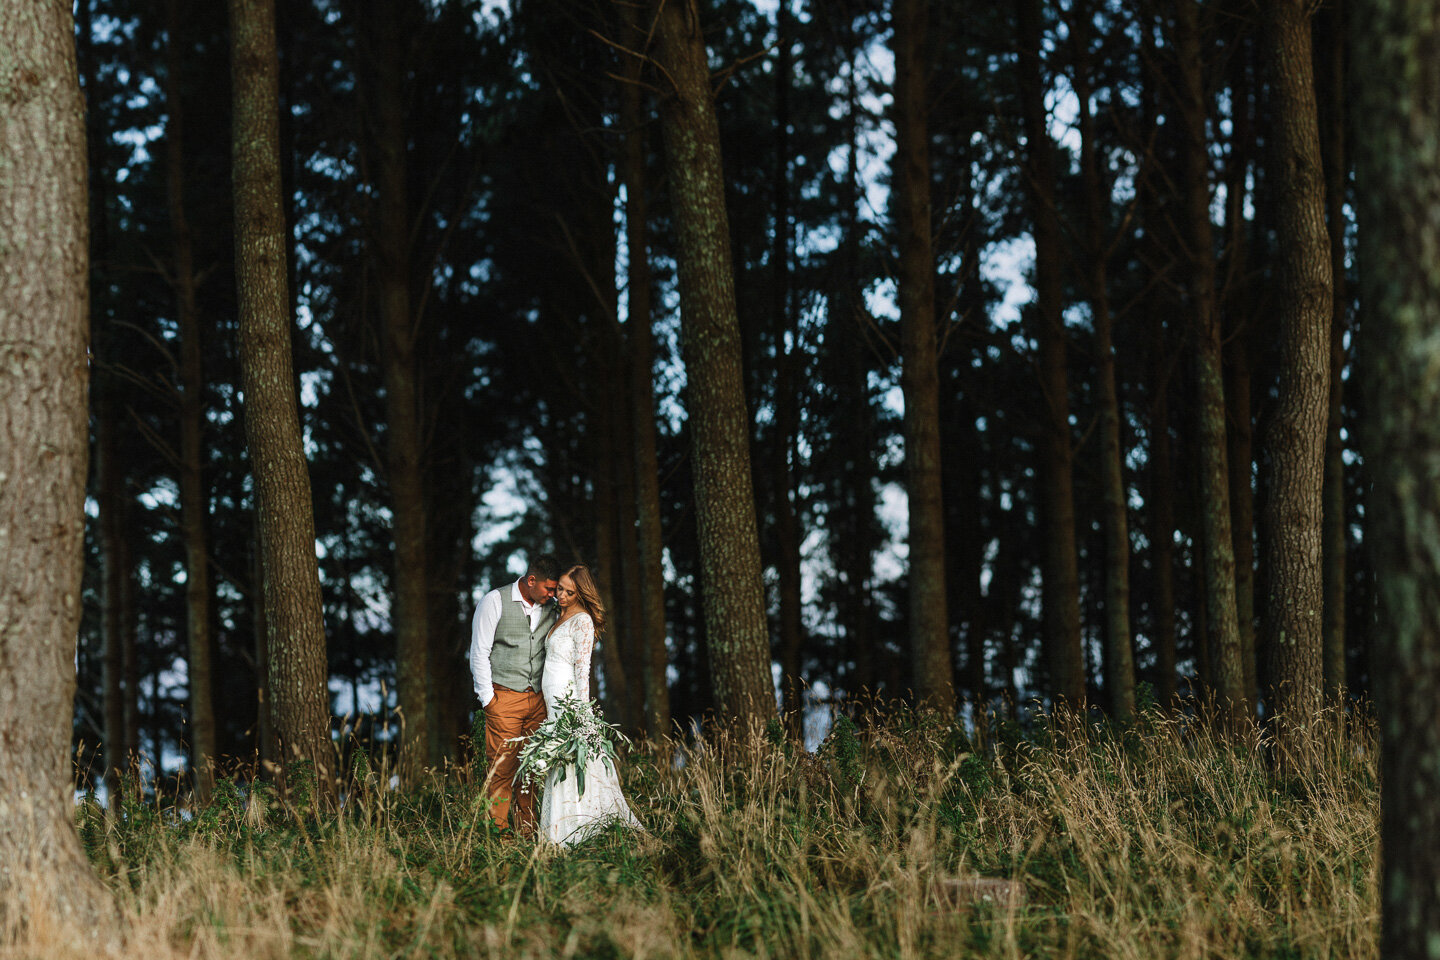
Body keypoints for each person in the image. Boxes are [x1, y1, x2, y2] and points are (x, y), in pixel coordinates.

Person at [538, 564, 642, 846]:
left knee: (572, 760)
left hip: (568, 702)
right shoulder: (559, 615)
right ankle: (559, 827)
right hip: (550, 699)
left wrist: (581, 715)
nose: (561, 595)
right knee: (559, 761)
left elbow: (583, 669)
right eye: (559, 588)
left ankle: (579, 829)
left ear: (581, 594)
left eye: (569, 592)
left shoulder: (582, 620)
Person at [469, 553, 560, 835]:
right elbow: (479, 653)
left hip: (539, 701)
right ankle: (498, 834)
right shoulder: (494, 601)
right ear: (531, 580)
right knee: (502, 770)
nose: (553, 594)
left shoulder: (552, 607)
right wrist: (489, 701)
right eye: (549, 588)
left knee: (532, 768)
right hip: (504, 698)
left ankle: (527, 832)